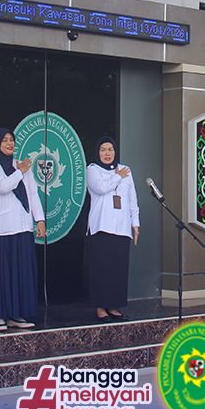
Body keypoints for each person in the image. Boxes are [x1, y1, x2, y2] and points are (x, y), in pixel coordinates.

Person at [0, 127, 46, 333]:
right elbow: (2, 187)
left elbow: (33, 193)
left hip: (22, 227)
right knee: (1, 274)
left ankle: (16, 315)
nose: (10, 143)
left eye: (12, 139)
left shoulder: (20, 165)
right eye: (5, 140)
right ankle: (0, 316)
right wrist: (20, 172)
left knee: (20, 273)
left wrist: (40, 219)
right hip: (0, 230)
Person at [86, 136, 140, 322]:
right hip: (101, 227)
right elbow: (101, 188)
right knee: (102, 268)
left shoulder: (125, 170)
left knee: (118, 270)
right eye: (103, 150)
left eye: (110, 149)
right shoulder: (93, 169)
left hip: (122, 227)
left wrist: (135, 224)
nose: (107, 153)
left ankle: (113, 306)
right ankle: (100, 307)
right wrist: (118, 176)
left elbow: (132, 199)